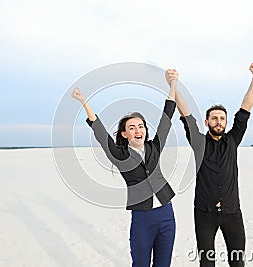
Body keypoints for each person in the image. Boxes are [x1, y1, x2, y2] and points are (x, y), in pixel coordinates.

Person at [71, 70, 179, 267]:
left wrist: (172, 85)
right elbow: (100, 132)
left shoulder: (154, 147)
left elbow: (166, 117)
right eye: (132, 127)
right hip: (142, 219)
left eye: (141, 126)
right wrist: (83, 102)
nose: (138, 130)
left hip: (166, 214)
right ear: (125, 133)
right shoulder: (120, 155)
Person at [166, 63, 253, 267]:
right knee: (207, 263)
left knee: (237, 262)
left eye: (222, 119)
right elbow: (186, 115)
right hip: (204, 213)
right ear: (207, 122)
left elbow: (246, 108)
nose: (218, 121)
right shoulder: (199, 142)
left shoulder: (233, 139)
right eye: (214, 118)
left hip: (232, 213)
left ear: (226, 123)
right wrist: (173, 85)